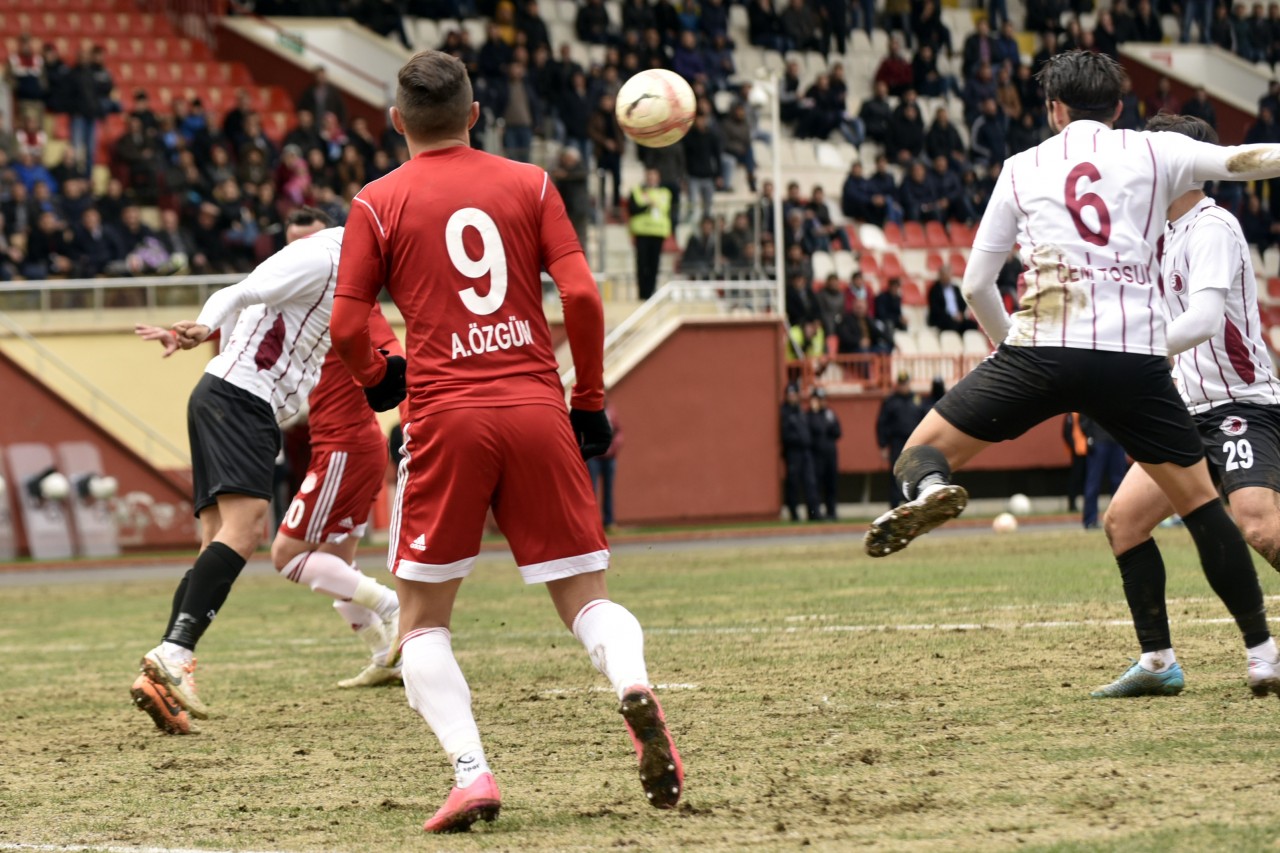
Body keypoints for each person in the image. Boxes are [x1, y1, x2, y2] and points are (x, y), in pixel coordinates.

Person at [329, 50, 682, 834]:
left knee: (422, 621)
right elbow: (582, 294)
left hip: (445, 415)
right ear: (476, 114)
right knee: (587, 599)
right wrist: (588, 400)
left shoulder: (376, 202)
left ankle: (472, 772)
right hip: (534, 405)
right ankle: (631, 682)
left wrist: (378, 377)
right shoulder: (532, 183)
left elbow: (347, 324)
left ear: (397, 121)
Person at [862, 52, 1280, 710]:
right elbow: (1244, 161)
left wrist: (1009, 350)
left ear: (1053, 109)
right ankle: (1259, 654)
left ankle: (933, 489)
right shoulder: (1152, 150)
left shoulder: (1021, 166)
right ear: (1119, 108)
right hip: (1130, 358)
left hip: (1043, 349)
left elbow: (976, 284)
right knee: (1202, 510)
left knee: (921, 450)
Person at [127, 208, 393, 736]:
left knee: (216, 541)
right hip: (242, 401)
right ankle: (174, 653)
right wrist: (206, 324)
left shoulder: (345, 265)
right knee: (247, 532)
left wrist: (201, 333)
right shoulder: (326, 256)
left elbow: (251, 304)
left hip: (225, 396)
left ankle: (168, 668)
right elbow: (239, 291)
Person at [1096, 114, 1280, 699]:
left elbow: (1201, 322)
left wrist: (1133, 348)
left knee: (1259, 526)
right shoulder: (1158, 234)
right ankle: (1158, 662)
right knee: (1124, 524)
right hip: (1185, 409)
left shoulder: (1213, 226)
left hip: (1240, 404)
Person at [876, 372, 924, 508]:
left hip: (914, 442)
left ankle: (912, 506)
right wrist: (883, 445)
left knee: (913, 474)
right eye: (901, 384)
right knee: (897, 474)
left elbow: (924, 421)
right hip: (896, 442)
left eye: (905, 384)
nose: (903, 387)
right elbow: (881, 424)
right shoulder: (890, 401)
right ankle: (895, 507)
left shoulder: (917, 400)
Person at [629, 168, 673, 300]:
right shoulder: (637, 191)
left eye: (654, 176)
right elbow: (633, 209)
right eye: (649, 176)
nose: (651, 179)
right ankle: (642, 293)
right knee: (642, 264)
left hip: (658, 233)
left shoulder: (665, 193)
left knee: (654, 264)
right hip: (642, 232)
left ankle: (651, 293)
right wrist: (648, 205)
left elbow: (667, 210)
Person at [781, 383, 820, 521]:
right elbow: (785, 434)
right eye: (789, 394)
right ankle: (794, 514)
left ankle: (814, 514)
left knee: (810, 482)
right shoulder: (785, 412)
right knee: (793, 483)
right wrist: (798, 440)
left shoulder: (801, 411)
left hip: (806, 452)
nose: (792, 397)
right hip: (793, 452)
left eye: (794, 394)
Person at [1080, 416, 1128, 529]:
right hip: (1099, 440)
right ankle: (1090, 520)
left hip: (1117, 440)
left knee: (1119, 483)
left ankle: (1119, 519)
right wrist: (1089, 436)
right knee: (1093, 482)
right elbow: (1084, 416)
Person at [807, 388, 841, 520]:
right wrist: (816, 415)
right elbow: (818, 429)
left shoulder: (829, 413)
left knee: (831, 483)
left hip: (830, 454)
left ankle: (831, 511)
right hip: (816, 455)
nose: (822, 402)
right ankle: (815, 513)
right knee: (816, 484)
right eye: (818, 399)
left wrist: (828, 427)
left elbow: (838, 431)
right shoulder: (810, 415)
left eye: (822, 399)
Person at [588, 404, 621, 531]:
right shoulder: (590, 410)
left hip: (610, 457)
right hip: (594, 457)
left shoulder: (611, 411)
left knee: (608, 490)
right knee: (591, 490)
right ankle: (591, 523)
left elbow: (618, 431)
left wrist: (614, 448)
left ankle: (609, 521)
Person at [926, 267, 977, 334]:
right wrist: (952, 317)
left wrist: (960, 314)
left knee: (972, 325)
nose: (948, 277)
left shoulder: (955, 288)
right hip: (943, 319)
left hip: (958, 317)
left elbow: (962, 304)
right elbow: (936, 309)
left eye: (949, 275)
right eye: (945, 275)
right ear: (940, 275)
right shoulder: (934, 290)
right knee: (952, 325)